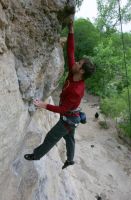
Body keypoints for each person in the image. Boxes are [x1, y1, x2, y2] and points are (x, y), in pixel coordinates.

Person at [24, 18, 95, 169]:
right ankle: (70, 160)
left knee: (52, 137)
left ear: (81, 71)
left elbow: (62, 110)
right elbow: (70, 51)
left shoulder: (77, 91)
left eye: (79, 63)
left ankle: (36, 155)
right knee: (70, 139)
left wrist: (44, 105)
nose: (76, 63)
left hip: (69, 118)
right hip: (73, 115)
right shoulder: (73, 73)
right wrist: (71, 29)